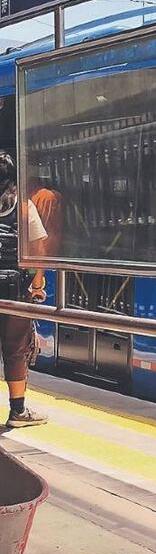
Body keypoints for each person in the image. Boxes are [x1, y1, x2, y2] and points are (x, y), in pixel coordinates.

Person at [0, 153, 49, 428]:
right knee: (15, 348)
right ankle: (17, 412)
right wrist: (37, 284)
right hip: (15, 289)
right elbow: (39, 248)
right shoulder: (23, 206)